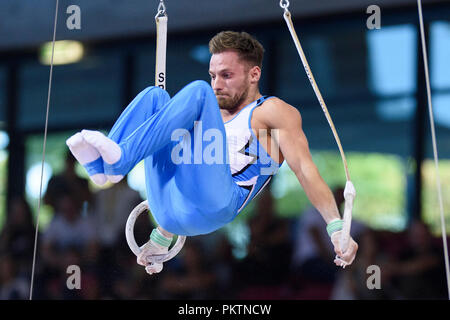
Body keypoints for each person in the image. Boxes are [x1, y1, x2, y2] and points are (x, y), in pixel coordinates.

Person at [66, 31, 358, 275]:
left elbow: (305, 169)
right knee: (155, 97)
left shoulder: (271, 112)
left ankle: (119, 161)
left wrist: (335, 227)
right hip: (169, 212)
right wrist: (159, 240)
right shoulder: (205, 115)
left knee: (197, 92)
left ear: (254, 74)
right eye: (213, 74)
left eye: (227, 75)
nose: (217, 83)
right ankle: (106, 168)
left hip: (219, 203)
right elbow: (185, 168)